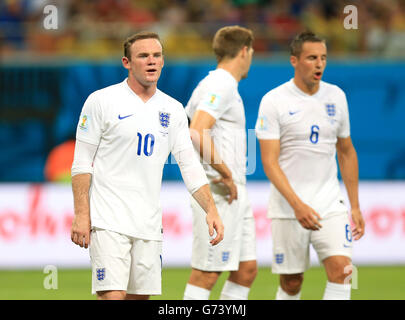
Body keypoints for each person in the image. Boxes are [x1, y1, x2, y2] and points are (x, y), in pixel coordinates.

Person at [70, 31, 224, 300]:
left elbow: (189, 165)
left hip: (149, 225)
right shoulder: (101, 101)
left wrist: (210, 208)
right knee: (112, 296)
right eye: (143, 56)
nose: (152, 61)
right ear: (126, 63)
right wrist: (82, 214)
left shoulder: (173, 109)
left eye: (157, 55)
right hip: (108, 221)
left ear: (163, 61)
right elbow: (82, 163)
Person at [255, 31, 365, 300]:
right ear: (294, 60)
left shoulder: (336, 96)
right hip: (288, 207)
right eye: (312, 58)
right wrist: (297, 205)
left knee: (342, 271)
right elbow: (269, 163)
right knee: (292, 282)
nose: (319, 64)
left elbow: (346, 151)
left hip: (329, 203)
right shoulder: (274, 101)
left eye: (324, 58)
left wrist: (355, 205)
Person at [183, 26, 257, 300]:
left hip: (233, 188)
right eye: (251, 52)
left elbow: (187, 124)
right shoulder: (222, 84)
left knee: (246, 270)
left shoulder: (210, 84)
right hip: (220, 188)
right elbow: (197, 130)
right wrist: (224, 172)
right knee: (207, 272)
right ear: (244, 51)